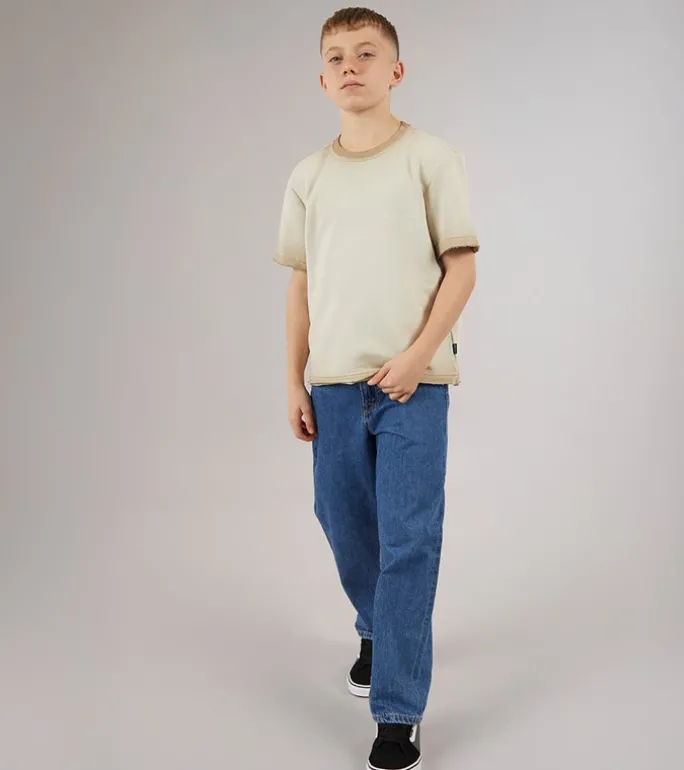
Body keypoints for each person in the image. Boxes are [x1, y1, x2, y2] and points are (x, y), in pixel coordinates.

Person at [274, 7, 479, 769]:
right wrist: (292, 380)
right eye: (336, 57)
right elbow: (300, 286)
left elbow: (462, 268)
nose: (350, 66)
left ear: (396, 70)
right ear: (321, 79)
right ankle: (378, 625)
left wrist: (418, 355)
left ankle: (398, 709)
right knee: (340, 519)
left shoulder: (430, 158)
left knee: (410, 539)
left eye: (366, 53)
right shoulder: (308, 176)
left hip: (411, 387)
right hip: (332, 384)